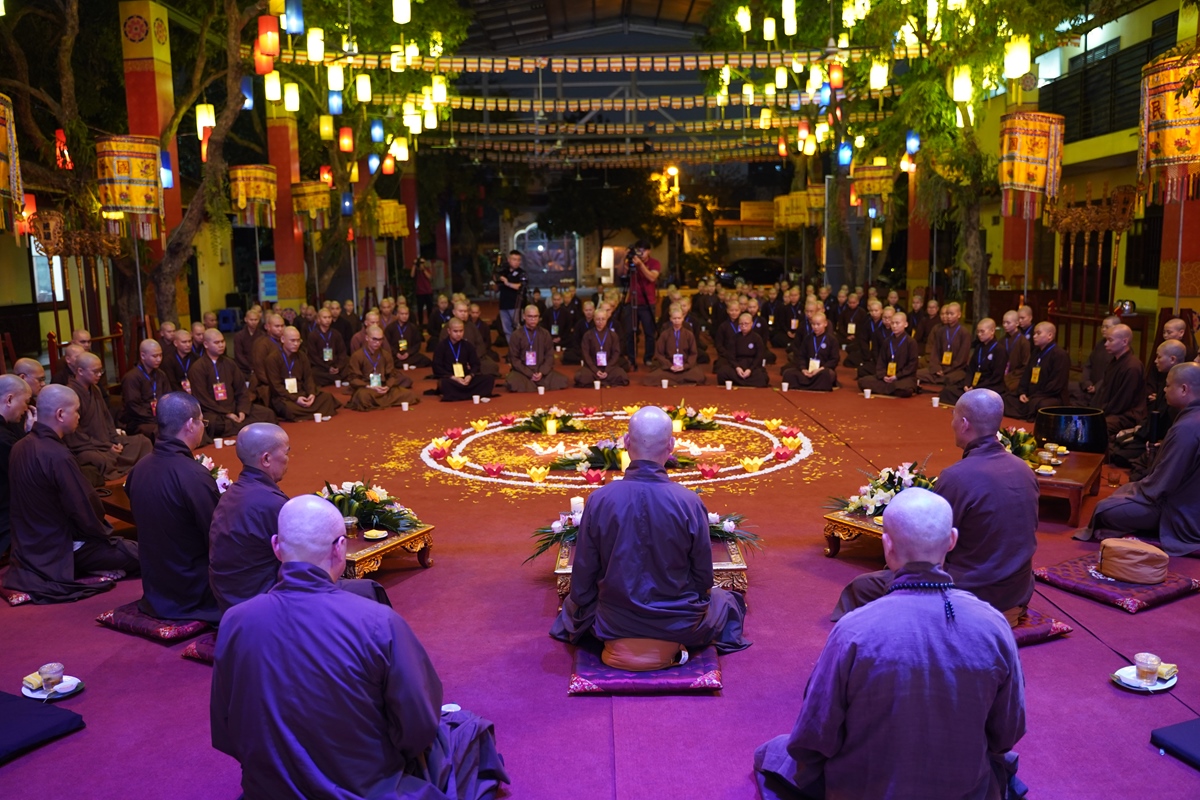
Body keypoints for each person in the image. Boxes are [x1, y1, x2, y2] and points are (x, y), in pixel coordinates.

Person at [211, 494, 510, 800]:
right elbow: (418, 727)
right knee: (468, 731)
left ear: (276, 546)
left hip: (271, 791)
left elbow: (226, 732)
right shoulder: (378, 622)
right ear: (340, 547)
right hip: (364, 790)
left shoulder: (235, 622)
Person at [755, 488, 1026, 800]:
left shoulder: (854, 630)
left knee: (772, 753)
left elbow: (815, 736)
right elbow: (1008, 732)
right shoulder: (993, 625)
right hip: (963, 790)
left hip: (867, 791)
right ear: (952, 540)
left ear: (887, 544)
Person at [550, 407, 749, 667]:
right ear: (671, 446)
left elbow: (583, 577)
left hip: (614, 622)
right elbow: (703, 579)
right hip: (679, 622)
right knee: (727, 601)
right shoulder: (688, 502)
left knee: (571, 607)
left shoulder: (600, 499)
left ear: (626, 442)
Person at [833, 389, 1039, 625]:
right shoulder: (1024, 470)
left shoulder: (958, 477)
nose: (952, 424)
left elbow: (927, 542)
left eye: (953, 417)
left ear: (964, 424)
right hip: (1017, 590)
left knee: (862, 588)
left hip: (971, 592)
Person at [2, 385, 140, 603]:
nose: (79, 416)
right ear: (60, 414)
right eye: (76, 411)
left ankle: (90, 565)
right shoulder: (57, 455)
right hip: (60, 548)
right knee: (140, 552)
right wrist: (105, 538)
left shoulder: (20, 447)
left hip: (27, 549)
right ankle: (85, 566)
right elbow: (85, 510)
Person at [1076, 362, 1200, 554]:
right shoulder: (1193, 418)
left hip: (1181, 512)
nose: (1164, 390)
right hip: (1190, 503)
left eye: (1168, 385)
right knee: (1124, 490)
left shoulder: (1187, 427)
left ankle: (1139, 529)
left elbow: (1164, 483)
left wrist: (1136, 492)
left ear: (1184, 389)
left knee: (1105, 510)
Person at [124, 393, 221, 623]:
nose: (203, 428)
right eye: (202, 422)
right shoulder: (193, 475)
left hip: (155, 587)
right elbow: (216, 537)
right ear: (190, 424)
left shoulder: (139, 469)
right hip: (192, 590)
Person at [208, 424, 293, 613]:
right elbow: (302, 559)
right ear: (266, 459)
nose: (288, 459)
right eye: (286, 452)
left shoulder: (231, 494)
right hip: (260, 605)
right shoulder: (271, 503)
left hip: (227, 599)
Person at [64, 352, 151, 483]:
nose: (99, 375)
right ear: (80, 371)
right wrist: (106, 446)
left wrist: (115, 440)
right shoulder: (70, 394)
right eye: (95, 371)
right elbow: (75, 434)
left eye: (101, 371)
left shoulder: (95, 390)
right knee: (100, 460)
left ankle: (135, 469)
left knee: (143, 442)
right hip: (87, 447)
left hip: (106, 441)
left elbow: (107, 419)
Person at [189, 329, 277, 437]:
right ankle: (245, 427)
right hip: (214, 412)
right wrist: (227, 413)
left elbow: (241, 389)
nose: (221, 345)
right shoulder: (197, 368)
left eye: (222, 341)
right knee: (213, 424)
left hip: (234, 407)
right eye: (217, 342)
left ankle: (239, 426)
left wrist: (242, 410)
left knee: (268, 414)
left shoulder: (230, 363)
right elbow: (202, 398)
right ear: (206, 344)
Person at [264, 326, 341, 422]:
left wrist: (311, 393)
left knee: (327, 398)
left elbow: (308, 378)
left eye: (298, 341)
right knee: (288, 408)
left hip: (301, 392)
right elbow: (276, 386)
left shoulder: (302, 356)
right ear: (283, 339)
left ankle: (304, 413)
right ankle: (308, 412)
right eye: (292, 341)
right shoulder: (272, 359)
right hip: (284, 397)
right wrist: (295, 399)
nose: (296, 344)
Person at [1003, 321, 1070, 421]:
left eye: (1038, 333)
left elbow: (1056, 383)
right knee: (1006, 398)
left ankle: (1028, 412)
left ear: (1050, 335)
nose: (1034, 336)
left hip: (1050, 396)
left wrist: (1034, 396)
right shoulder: (1036, 352)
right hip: (1032, 394)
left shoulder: (1060, 355)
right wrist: (1022, 392)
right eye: (1034, 333)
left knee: (1041, 405)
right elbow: (1026, 375)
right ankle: (1027, 411)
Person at [1088, 323, 1145, 437]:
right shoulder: (1114, 362)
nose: (1106, 344)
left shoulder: (1132, 367)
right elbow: (1104, 391)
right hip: (1111, 411)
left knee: (1096, 427)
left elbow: (1123, 401)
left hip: (1127, 415)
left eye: (1110, 340)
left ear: (1124, 342)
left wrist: (1101, 414)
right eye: (1106, 340)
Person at [343, 325, 419, 411]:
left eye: (380, 340)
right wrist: (369, 386)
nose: (377, 343)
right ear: (367, 338)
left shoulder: (386, 355)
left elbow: (392, 375)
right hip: (367, 388)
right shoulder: (357, 355)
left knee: (410, 395)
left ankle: (379, 401)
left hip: (383, 387)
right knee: (362, 397)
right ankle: (383, 401)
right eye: (374, 339)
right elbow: (353, 379)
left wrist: (387, 386)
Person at [0, 375, 34, 561]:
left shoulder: (6, 431)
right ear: (9, 399)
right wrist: (32, 435)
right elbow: (29, 470)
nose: (26, 409)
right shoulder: (3, 438)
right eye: (26, 402)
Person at [940, 318, 1008, 406]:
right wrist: (967, 384)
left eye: (982, 331)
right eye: (978, 332)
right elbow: (971, 369)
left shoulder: (1000, 350)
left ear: (992, 331)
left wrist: (976, 388)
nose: (979, 334)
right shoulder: (979, 347)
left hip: (989, 386)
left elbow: (996, 377)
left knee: (982, 401)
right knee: (947, 391)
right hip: (974, 384)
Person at [617, 240, 660, 367]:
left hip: (647, 303)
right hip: (632, 301)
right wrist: (624, 257)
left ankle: (648, 358)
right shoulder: (631, 262)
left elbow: (652, 277)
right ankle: (631, 358)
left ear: (649, 251)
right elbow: (620, 273)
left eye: (643, 251)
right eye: (638, 250)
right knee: (630, 332)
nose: (640, 253)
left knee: (649, 332)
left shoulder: (654, 263)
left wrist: (640, 265)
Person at [506, 305, 569, 393]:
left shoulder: (545, 334)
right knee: (513, 382)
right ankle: (536, 384)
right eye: (530, 316)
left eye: (536, 316)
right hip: (523, 372)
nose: (533, 319)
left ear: (539, 317)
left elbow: (549, 355)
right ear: (524, 316)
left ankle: (533, 384)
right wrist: (529, 373)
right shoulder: (516, 335)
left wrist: (542, 372)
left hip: (541, 371)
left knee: (562, 380)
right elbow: (514, 358)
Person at [433, 318, 496, 402]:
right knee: (444, 383)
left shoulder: (467, 345)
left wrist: (470, 376)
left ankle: (459, 394)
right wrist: (454, 378)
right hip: (450, 378)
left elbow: (475, 364)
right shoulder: (441, 346)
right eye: (455, 331)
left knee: (489, 379)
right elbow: (437, 367)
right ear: (449, 331)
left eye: (461, 331)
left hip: (465, 377)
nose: (458, 334)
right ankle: (468, 393)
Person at [858, 311, 918, 397]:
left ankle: (889, 388)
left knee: (905, 389)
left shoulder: (911, 342)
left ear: (905, 324)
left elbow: (912, 365)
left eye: (897, 323)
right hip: (887, 376)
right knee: (863, 381)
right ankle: (892, 389)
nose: (894, 326)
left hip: (904, 377)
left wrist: (896, 376)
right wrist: (883, 375)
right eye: (892, 323)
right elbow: (881, 361)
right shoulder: (887, 341)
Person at [643, 305, 706, 386]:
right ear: (671, 319)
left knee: (699, 376)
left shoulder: (689, 334)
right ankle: (681, 380)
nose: (677, 320)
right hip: (669, 366)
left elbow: (693, 353)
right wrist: (670, 366)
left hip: (684, 366)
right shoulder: (665, 334)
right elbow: (659, 353)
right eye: (674, 318)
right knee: (650, 378)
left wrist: (685, 366)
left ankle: (673, 380)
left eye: (679, 318)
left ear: (683, 318)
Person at [119, 338, 168, 439]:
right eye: (155, 356)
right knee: (160, 431)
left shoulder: (161, 375)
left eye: (160, 355)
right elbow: (134, 407)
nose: (159, 359)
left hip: (159, 417)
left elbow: (168, 397)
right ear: (143, 356)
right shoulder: (131, 377)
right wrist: (155, 419)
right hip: (138, 421)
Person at [916, 301, 971, 388]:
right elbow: (935, 352)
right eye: (947, 314)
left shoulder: (964, 333)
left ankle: (938, 380)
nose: (948, 316)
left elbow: (962, 357)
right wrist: (937, 368)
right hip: (940, 367)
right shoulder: (940, 331)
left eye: (951, 314)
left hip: (955, 369)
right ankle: (939, 380)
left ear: (959, 315)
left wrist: (947, 370)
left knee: (955, 377)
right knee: (917, 373)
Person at [781, 312, 840, 392]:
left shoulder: (832, 340)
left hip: (821, 371)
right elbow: (801, 356)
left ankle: (806, 385)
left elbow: (834, 359)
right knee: (788, 373)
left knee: (828, 375)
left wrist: (819, 369)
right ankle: (814, 385)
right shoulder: (808, 338)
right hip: (807, 371)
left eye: (818, 324)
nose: (815, 327)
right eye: (813, 324)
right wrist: (803, 369)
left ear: (825, 324)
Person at [1069, 315, 1119, 405]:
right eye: (1102, 327)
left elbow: (1112, 374)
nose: (1103, 329)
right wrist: (1086, 383)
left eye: (1107, 327)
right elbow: (1088, 365)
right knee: (1065, 388)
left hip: (1104, 390)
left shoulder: (1119, 349)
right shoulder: (1100, 344)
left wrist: (1097, 387)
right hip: (1089, 385)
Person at [575, 307, 629, 388]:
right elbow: (585, 354)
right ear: (594, 319)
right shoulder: (588, 335)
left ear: (607, 319)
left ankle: (598, 380)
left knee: (622, 376)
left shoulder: (613, 335)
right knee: (580, 376)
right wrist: (595, 370)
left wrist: (607, 370)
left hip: (609, 367)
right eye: (598, 319)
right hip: (592, 368)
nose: (600, 322)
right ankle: (604, 380)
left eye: (603, 319)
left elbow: (616, 353)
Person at [714, 313, 769, 388]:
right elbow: (731, 356)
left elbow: (759, 356)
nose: (743, 326)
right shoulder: (734, 338)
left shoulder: (757, 338)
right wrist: (737, 368)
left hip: (752, 365)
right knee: (722, 373)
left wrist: (750, 369)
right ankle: (746, 382)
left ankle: (738, 382)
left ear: (751, 324)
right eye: (741, 324)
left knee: (762, 377)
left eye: (746, 324)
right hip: (738, 364)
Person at [306, 308, 349, 387]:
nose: (327, 320)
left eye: (329, 317)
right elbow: (313, 356)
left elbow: (342, 352)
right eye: (325, 317)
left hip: (335, 364)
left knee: (348, 365)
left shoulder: (336, 334)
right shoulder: (313, 335)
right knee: (313, 374)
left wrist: (338, 367)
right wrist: (327, 368)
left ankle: (334, 377)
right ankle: (336, 378)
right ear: (318, 319)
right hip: (321, 366)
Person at [384, 304, 433, 369]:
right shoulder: (390, 328)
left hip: (409, 355)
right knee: (390, 361)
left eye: (406, 314)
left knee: (425, 360)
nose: (404, 316)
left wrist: (408, 353)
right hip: (395, 355)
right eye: (402, 314)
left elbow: (417, 344)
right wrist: (396, 353)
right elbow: (387, 344)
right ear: (397, 314)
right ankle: (406, 365)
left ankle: (404, 365)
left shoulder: (413, 327)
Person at [1001, 310, 1031, 395]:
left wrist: (1010, 376)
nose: (1005, 325)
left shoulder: (1023, 342)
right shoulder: (1002, 341)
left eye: (1008, 323)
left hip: (1016, 376)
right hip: (1002, 373)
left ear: (1017, 323)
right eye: (1003, 323)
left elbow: (1025, 365)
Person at [163, 329, 197, 393]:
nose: (188, 345)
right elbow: (171, 383)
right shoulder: (168, 360)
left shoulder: (196, 358)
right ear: (175, 343)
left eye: (190, 341)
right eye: (184, 342)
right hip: (176, 393)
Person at [232, 308, 263, 378]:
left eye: (256, 320)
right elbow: (238, 354)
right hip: (244, 369)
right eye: (251, 320)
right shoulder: (239, 336)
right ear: (245, 319)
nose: (253, 322)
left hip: (259, 367)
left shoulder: (262, 335)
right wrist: (250, 366)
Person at [412, 256, 435, 326]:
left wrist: (423, 269)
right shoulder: (416, 270)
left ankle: (430, 323)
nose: (422, 264)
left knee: (430, 309)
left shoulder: (427, 269)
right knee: (420, 309)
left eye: (423, 262)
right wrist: (414, 264)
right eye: (420, 262)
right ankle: (420, 324)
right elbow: (412, 275)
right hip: (420, 292)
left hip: (428, 291)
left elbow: (430, 277)